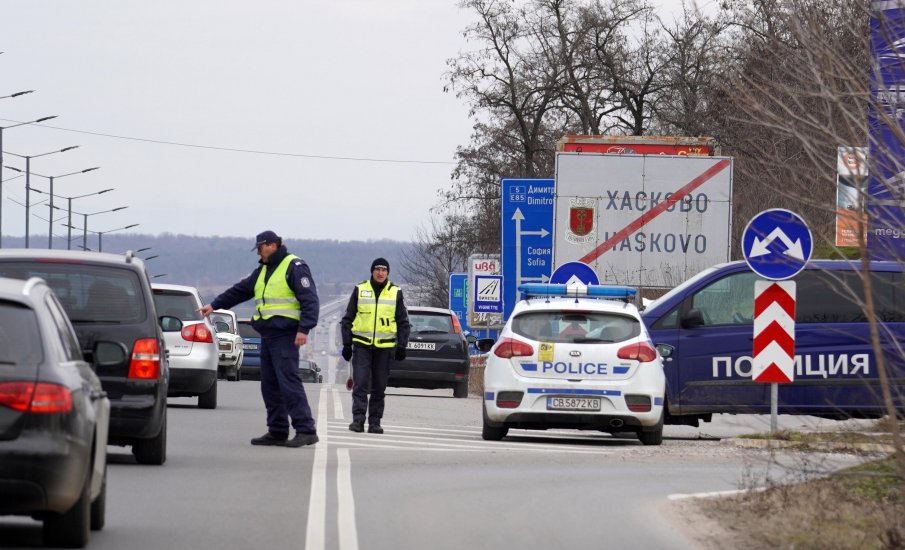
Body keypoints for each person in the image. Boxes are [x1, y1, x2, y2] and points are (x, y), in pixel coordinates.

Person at [199, 230, 320, 448]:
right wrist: (214, 305)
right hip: (269, 334)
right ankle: (277, 430)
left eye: (260, 247)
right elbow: (241, 291)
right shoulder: (263, 270)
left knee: (288, 382)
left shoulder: (294, 266)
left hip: (286, 334)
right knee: (270, 385)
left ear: (272, 245)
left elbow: (310, 300)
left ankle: (306, 429)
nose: (259, 252)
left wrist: (304, 329)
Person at [340, 257, 410, 434]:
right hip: (362, 346)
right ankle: (358, 420)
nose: (380, 273)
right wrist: (347, 344)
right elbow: (347, 319)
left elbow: (403, 322)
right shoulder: (360, 289)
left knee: (379, 387)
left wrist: (402, 345)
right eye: (377, 269)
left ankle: (375, 422)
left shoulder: (395, 292)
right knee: (361, 384)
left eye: (384, 270)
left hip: (385, 348)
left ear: (388, 273)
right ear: (372, 271)